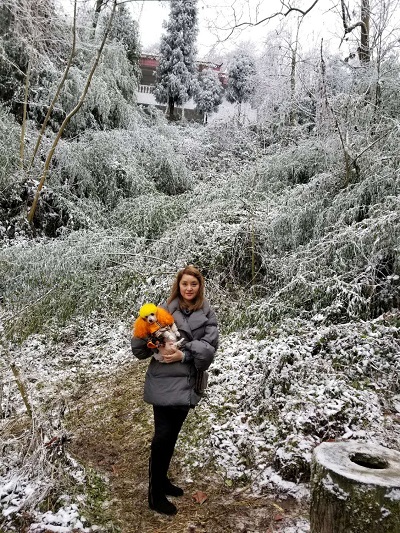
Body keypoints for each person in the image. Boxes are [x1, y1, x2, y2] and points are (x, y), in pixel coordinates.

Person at [131, 265, 219, 515]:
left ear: (199, 286)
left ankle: (162, 481)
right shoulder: (161, 311)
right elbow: (139, 349)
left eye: (194, 284)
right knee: (162, 437)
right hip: (163, 381)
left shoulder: (208, 313)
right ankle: (154, 494)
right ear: (178, 286)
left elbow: (209, 349)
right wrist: (148, 337)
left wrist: (184, 353)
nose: (189, 288)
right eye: (185, 284)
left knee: (171, 437)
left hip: (187, 382)